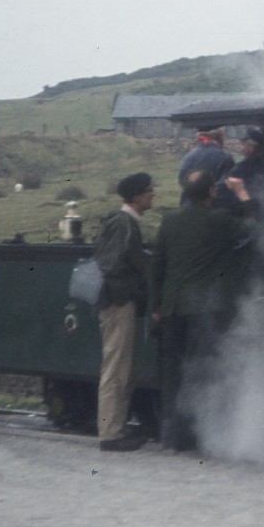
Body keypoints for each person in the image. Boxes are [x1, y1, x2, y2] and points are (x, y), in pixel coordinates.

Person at [150, 170, 255, 451]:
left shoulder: (170, 220)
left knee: (173, 372)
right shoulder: (219, 220)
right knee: (204, 369)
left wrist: (157, 306)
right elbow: (253, 227)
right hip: (205, 309)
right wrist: (243, 194)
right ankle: (203, 433)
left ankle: (171, 436)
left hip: (173, 309)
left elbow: (157, 266)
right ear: (212, 192)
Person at [92, 172, 155, 452]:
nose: (153, 194)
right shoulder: (124, 224)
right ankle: (110, 432)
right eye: (149, 191)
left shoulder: (123, 222)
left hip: (116, 302)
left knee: (119, 368)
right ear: (138, 196)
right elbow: (112, 264)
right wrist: (128, 291)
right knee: (116, 369)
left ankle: (115, 428)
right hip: (119, 304)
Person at [177, 126, 234, 208]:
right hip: (214, 209)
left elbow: (182, 181)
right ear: (220, 137)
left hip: (188, 207)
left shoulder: (187, 158)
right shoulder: (226, 159)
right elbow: (226, 186)